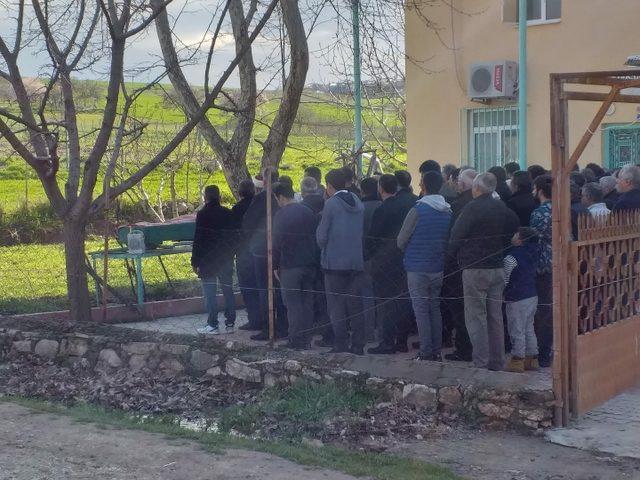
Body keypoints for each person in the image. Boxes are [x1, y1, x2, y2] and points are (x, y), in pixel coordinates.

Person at [448, 173, 519, 370]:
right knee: (495, 316)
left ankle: (481, 361)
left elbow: (456, 234)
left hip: (474, 267)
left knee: (476, 316)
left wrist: (451, 256)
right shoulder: (500, 207)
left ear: (476, 188)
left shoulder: (472, 207)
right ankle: (497, 361)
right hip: (496, 267)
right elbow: (511, 230)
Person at [397, 171, 452, 361]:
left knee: (420, 309)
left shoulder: (418, 210)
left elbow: (401, 240)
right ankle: (436, 349)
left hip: (417, 265)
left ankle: (426, 351)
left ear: (424, 186)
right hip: (437, 265)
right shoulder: (447, 210)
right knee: (434, 307)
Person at [316, 168, 366, 354]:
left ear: (329, 185)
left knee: (336, 306)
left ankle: (341, 343)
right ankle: (358, 345)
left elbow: (321, 237)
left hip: (334, 263)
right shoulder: (358, 202)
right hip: (356, 262)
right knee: (355, 305)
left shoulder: (331, 204)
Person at [366, 174, 415, 354]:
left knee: (385, 303)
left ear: (380, 188)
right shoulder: (409, 204)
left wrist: (369, 255)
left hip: (384, 260)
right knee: (402, 300)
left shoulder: (383, 209)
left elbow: (373, 236)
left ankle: (387, 342)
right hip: (403, 257)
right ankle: (401, 340)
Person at [242, 168, 288, 340]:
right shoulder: (284, 194)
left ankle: (268, 327)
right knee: (281, 288)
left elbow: (247, 222)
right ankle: (284, 326)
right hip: (282, 248)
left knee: (264, 289)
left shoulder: (262, 197)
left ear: (265, 180)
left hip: (262, 250)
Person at [272, 182, 318, 349]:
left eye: (277, 199)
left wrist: (275, 265)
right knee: (307, 303)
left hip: (290, 264)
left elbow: (276, 242)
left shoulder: (281, 215)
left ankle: (295, 339)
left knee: (292, 304)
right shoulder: (307, 211)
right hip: (309, 262)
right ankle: (306, 339)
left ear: (281, 197)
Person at [442, 168, 477, 362]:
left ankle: (464, 349)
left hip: (459, 264)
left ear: (461, 185)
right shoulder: (492, 204)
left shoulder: (457, 207)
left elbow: (453, 237)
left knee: (460, 309)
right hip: (485, 263)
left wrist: (448, 260)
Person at [191, 185, 237, 335]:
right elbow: (234, 238)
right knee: (228, 290)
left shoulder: (202, 215)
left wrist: (195, 261)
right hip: (225, 258)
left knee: (210, 293)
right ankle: (230, 323)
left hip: (208, 260)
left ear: (205, 198)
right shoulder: (228, 213)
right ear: (219, 197)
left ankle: (213, 324)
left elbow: (198, 239)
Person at [504, 227, 540, 373]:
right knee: (529, 328)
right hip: (532, 295)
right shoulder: (534, 253)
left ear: (520, 239)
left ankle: (518, 360)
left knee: (517, 329)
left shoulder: (511, 257)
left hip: (516, 297)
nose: (513, 235)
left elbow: (505, 279)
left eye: (515, 233)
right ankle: (532, 359)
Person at [530, 174, 553, 368]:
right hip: (560, 263)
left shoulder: (540, 212)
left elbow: (534, 239)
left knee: (544, 311)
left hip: (544, 266)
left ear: (539, 190)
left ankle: (543, 353)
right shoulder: (563, 208)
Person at [232, 180, 261, 331]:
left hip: (243, 253)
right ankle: (265, 318)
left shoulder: (236, 209)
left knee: (248, 288)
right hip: (259, 250)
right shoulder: (258, 206)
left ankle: (254, 320)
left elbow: (233, 233)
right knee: (260, 286)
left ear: (240, 192)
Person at [360, 176, 382, 342]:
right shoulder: (383, 205)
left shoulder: (360, 208)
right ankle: (382, 333)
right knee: (382, 296)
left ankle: (368, 334)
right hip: (383, 256)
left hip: (365, 256)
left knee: (366, 296)